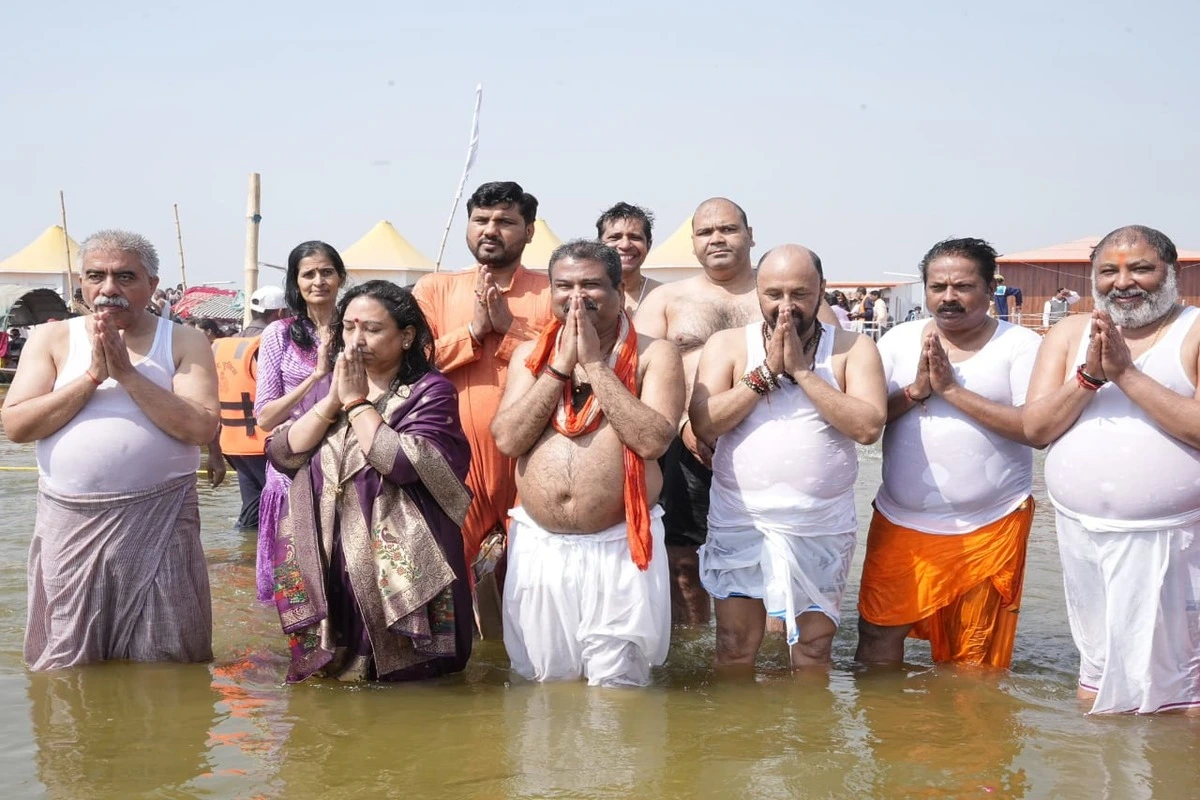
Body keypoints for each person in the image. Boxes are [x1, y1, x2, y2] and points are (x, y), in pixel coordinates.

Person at [1, 229, 219, 670]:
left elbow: (200, 426)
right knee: (66, 659)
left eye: (125, 277)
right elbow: (16, 427)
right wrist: (91, 378)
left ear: (153, 286)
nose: (109, 289)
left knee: (167, 656)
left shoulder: (182, 341)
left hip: (162, 516)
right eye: (96, 276)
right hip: (69, 521)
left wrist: (129, 375)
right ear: (80, 281)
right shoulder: (53, 339)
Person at [1024, 225, 1200, 714]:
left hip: (1178, 543)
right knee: (1097, 678)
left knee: (1185, 691)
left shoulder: (1194, 329)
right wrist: (1089, 377)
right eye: (1109, 271)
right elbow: (1035, 429)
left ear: (1173, 272)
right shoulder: (1068, 333)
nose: (1124, 282)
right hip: (1083, 537)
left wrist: (1126, 374)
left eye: (1141, 268)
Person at [491, 241, 684, 685]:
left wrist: (595, 365)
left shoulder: (657, 355)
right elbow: (508, 439)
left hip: (620, 547)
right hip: (542, 547)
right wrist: (560, 366)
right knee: (544, 687)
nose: (577, 297)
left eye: (592, 285)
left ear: (621, 292)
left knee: (619, 694)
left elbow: (653, 440)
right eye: (565, 286)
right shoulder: (529, 356)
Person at [689, 245, 886, 670]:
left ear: (821, 291)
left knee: (814, 650)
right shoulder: (728, 345)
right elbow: (704, 424)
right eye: (773, 294)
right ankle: (738, 737)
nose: (785, 306)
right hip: (741, 520)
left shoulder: (853, 348)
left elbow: (869, 427)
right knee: (734, 645)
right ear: (756, 294)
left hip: (820, 524)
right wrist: (764, 374)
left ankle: (811, 737)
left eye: (799, 293)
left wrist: (801, 373)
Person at [266, 280, 473, 682]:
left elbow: (398, 462)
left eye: (373, 329)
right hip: (331, 544)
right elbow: (283, 453)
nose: (356, 339)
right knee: (335, 671)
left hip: (400, 554)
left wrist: (358, 403)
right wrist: (332, 401)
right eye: (348, 327)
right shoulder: (327, 388)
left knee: (412, 683)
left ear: (407, 336)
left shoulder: (430, 392)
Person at [856, 238, 1042, 668]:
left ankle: (966, 735)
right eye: (937, 287)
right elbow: (865, 421)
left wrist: (953, 391)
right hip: (902, 520)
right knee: (876, 632)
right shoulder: (897, 342)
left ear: (990, 287)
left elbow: (1035, 429)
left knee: (973, 654)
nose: (949, 298)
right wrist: (917, 391)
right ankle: (884, 728)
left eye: (962, 286)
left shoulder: (1020, 345)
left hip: (990, 523)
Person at [412, 181, 553, 573]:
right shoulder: (435, 289)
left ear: (529, 231)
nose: (490, 230)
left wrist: (511, 329)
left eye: (505, 221)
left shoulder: (553, 289)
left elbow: (567, 364)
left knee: (529, 583)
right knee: (448, 580)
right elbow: (413, 365)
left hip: (530, 459)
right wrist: (473, 332)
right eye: (480, 220)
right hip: (454, 460)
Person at [634, 198, 763, 624]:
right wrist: (683, 424)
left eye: (728, 229)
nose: (717, 239)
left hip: (763, 443)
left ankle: (772, 661)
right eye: (706, 232)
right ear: (692, 245)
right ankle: (691, 662)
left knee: (770, 555)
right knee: (682, 561)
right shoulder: (668, 299)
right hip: (683, 444)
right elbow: (639, 370)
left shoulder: (780, 292)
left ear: (750, 236)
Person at [252, 241, 345, 603]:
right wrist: (316, 375)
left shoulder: (356, 330)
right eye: (308, 274)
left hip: (344, 461)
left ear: (340, 278)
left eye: (327, 272)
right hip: (292, 465)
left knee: (340, 576)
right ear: (296, 282)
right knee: (293, 582)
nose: (318, 281)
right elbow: (265, 418)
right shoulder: (280, 334)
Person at [208, 285, 289, 529]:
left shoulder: (221, 345)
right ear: (280, 314)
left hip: (232, 443)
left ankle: (245, 556)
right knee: (282, 511)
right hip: (262, 441)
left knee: (253, 511)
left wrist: (213, 451)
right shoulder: (267, 345)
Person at [596, 202, 661, 316]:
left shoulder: (664, 295)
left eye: (635, 237)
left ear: (648, 244)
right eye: (615, 237)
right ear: (599, 244)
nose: (625, 245)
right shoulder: (586, 294)